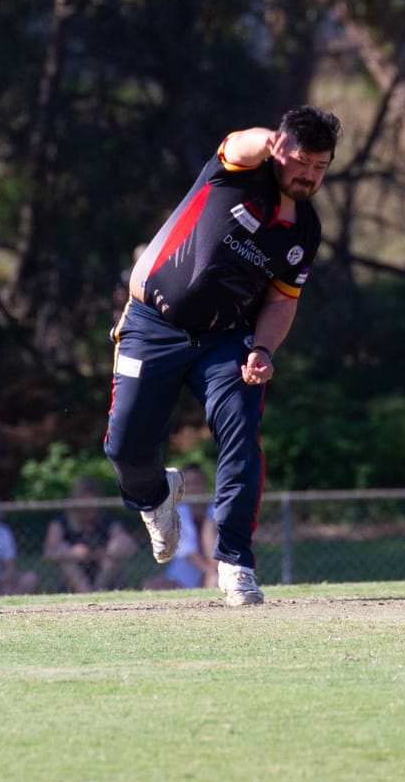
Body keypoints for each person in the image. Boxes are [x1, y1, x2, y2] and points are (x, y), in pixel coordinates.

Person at [104, 105, 339, 606]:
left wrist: (262, 348)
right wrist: (268, 140)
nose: (309, 175)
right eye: (301, 162)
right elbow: (238, 142)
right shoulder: (239, 173)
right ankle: (154, 496)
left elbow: (280, 301)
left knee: (241, 437)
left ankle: (235, 565)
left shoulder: (304, 232)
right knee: (123, 447)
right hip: (152, 325)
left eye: (320, 167)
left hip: (227, 342)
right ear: (279, 150)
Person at [40, 474, 138, 593]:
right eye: (83, 507)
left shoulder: (107, 522)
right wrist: (72, 553)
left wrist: (105, 552)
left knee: (113, 560)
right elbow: (49, 552)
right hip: (73, 577)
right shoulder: (61, 523)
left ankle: (95, 593)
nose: (88, 512)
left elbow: (130, 546)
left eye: (91, 507)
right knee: (66, 560)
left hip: (102, 574)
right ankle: (86, 593)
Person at [142, 464, 217, 590]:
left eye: (197, 483)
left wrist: (214, 573)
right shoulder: (177, 513)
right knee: (152, 585)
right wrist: (210, 572)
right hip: (183, 577)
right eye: (188, 484)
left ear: (205, 484)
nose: (193, 489)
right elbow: (188, 552)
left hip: (217, 568)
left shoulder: (216, 509)